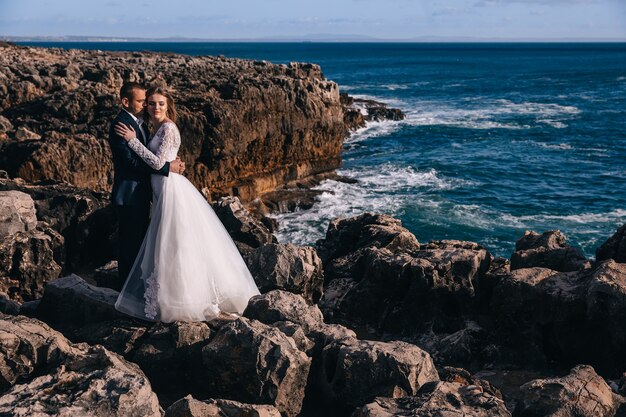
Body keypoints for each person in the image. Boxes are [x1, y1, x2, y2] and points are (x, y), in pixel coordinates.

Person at [113, 86, 260, 322]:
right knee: (166, 245)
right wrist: (169, 165)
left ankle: (184, 300)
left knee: (175, 244)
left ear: (168, 105)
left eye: (160, 103)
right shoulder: (154, 127)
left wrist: (133, 142)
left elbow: (156, 162)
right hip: (160, 191)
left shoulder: (169, 128)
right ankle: (167, 296)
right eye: (150, 103)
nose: (154, 107)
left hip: (172, 191)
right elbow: (161, 162)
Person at [108, 82, 186, 291]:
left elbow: (155, 155)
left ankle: (156, 290)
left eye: (154, 103)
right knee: (131, 249)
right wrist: (168, 167)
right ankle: (127, 294)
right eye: (144, 102)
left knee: (156, 244)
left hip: (149, 194)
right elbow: (131, 164)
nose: (148, 107)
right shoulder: (122, 125)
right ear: (126, 101)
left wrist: (168, 164)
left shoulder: (144, 124)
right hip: (130, 196)